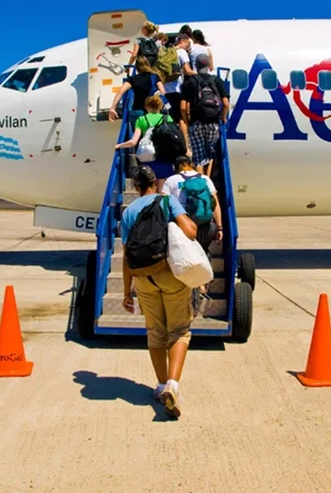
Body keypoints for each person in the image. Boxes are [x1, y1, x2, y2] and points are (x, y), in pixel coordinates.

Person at [121, 165, 198, 418]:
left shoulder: (129, 212)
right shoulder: (167, 201)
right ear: (156, 182)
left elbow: (125, 256)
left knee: (155, 333)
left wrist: (126, 292)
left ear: (135, 186)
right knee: (179, 331)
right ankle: (173, 386)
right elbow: (190, 230)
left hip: (143, 278)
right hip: (169, 274)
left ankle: (161, 386)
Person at [115, 95, 178, 189]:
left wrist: (119, 145)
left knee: (150, 185)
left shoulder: (141, 120)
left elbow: (133, 142)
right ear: (160, 106)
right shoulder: (168, 118)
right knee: (163, 187)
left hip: (148, 156)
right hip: (165, 156)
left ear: (146, 107)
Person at [181, 54, 230, 175]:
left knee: (198, 157)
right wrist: (223, 118)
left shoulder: (191, 81)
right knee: (211, 154)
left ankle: (201, 181)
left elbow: (183, 107)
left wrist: (187, 122)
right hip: (213, 124)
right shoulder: (216, 80)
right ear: (208, 65)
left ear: (195, 65)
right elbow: (226, 104)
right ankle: (208, 181)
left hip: (196, 124)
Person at [162, 156, 222, 252]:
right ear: (191, 165)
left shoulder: (170, 180)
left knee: (185, 254)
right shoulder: (205, 179)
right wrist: (219, 227)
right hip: (206, 226)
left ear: (175, 167)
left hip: (183, 226)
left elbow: (164, 205)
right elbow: (215, 204)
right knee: (203, 251)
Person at [108, 57, 166, 129]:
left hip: (137, 112)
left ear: (137, 68)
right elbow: (163, 92)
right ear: (148, 65)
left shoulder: (133, 79)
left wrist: (113, 107)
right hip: (152, 112)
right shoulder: (154, 77)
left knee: (137, 138)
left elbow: (120, 92)